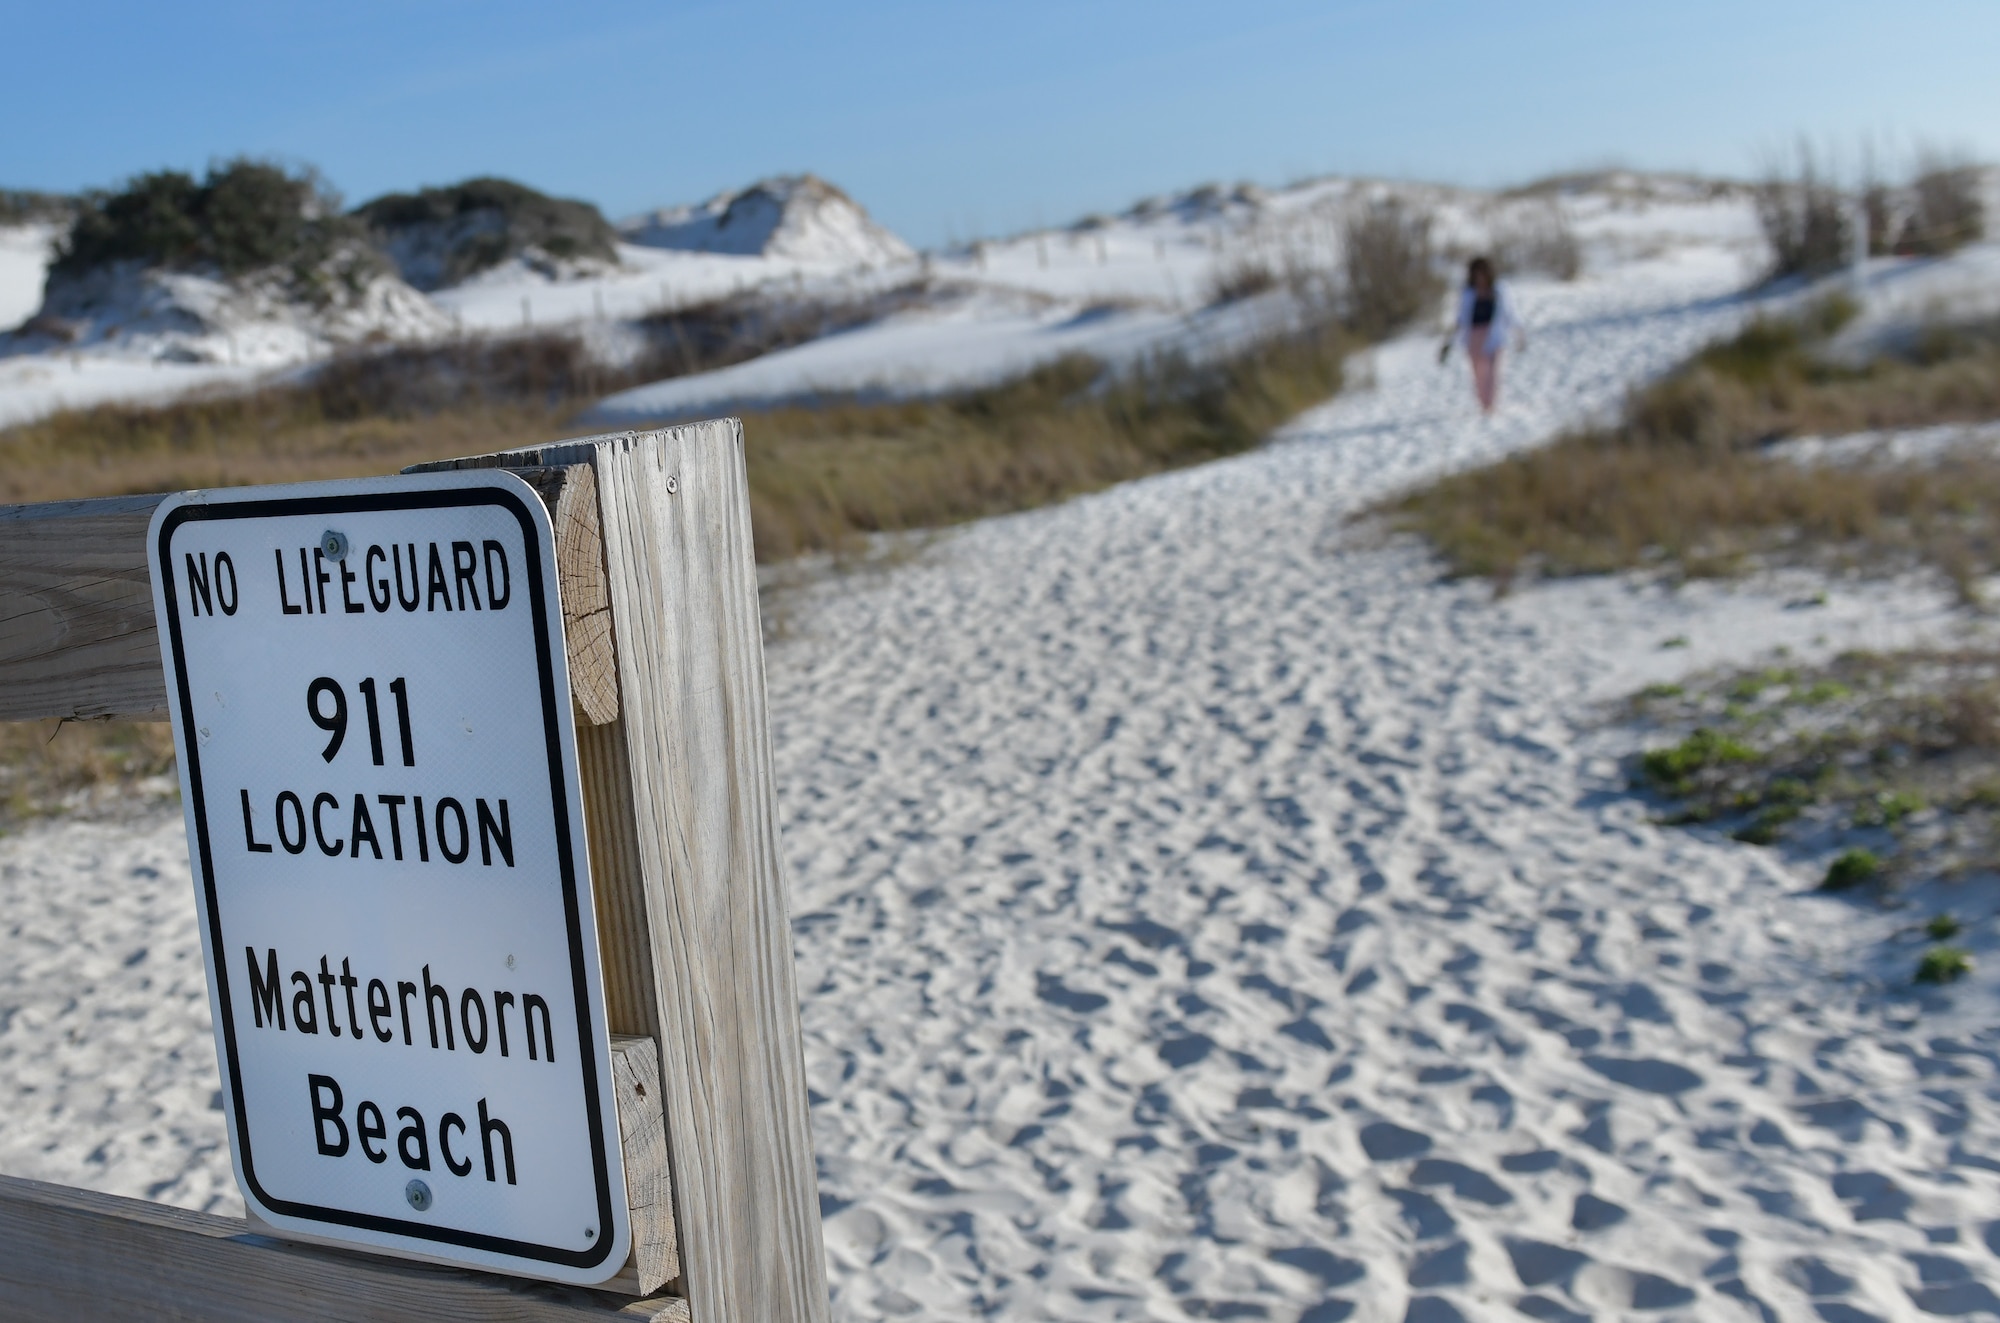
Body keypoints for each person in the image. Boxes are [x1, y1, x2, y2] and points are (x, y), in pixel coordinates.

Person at [1438, 256, 1521, 414]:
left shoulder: (1499, 290)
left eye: (1482, 274)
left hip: (1495, 335)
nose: (1480, 278)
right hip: (1474, 337)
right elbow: (1461, 318)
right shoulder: (1468, 293)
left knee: (1494, 372)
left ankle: (1491, 405)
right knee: (1478, 373)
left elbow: (1510, 313)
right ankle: (1483, 404)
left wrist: (1519, 332)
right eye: (1476, 274)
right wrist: (1449, 340)